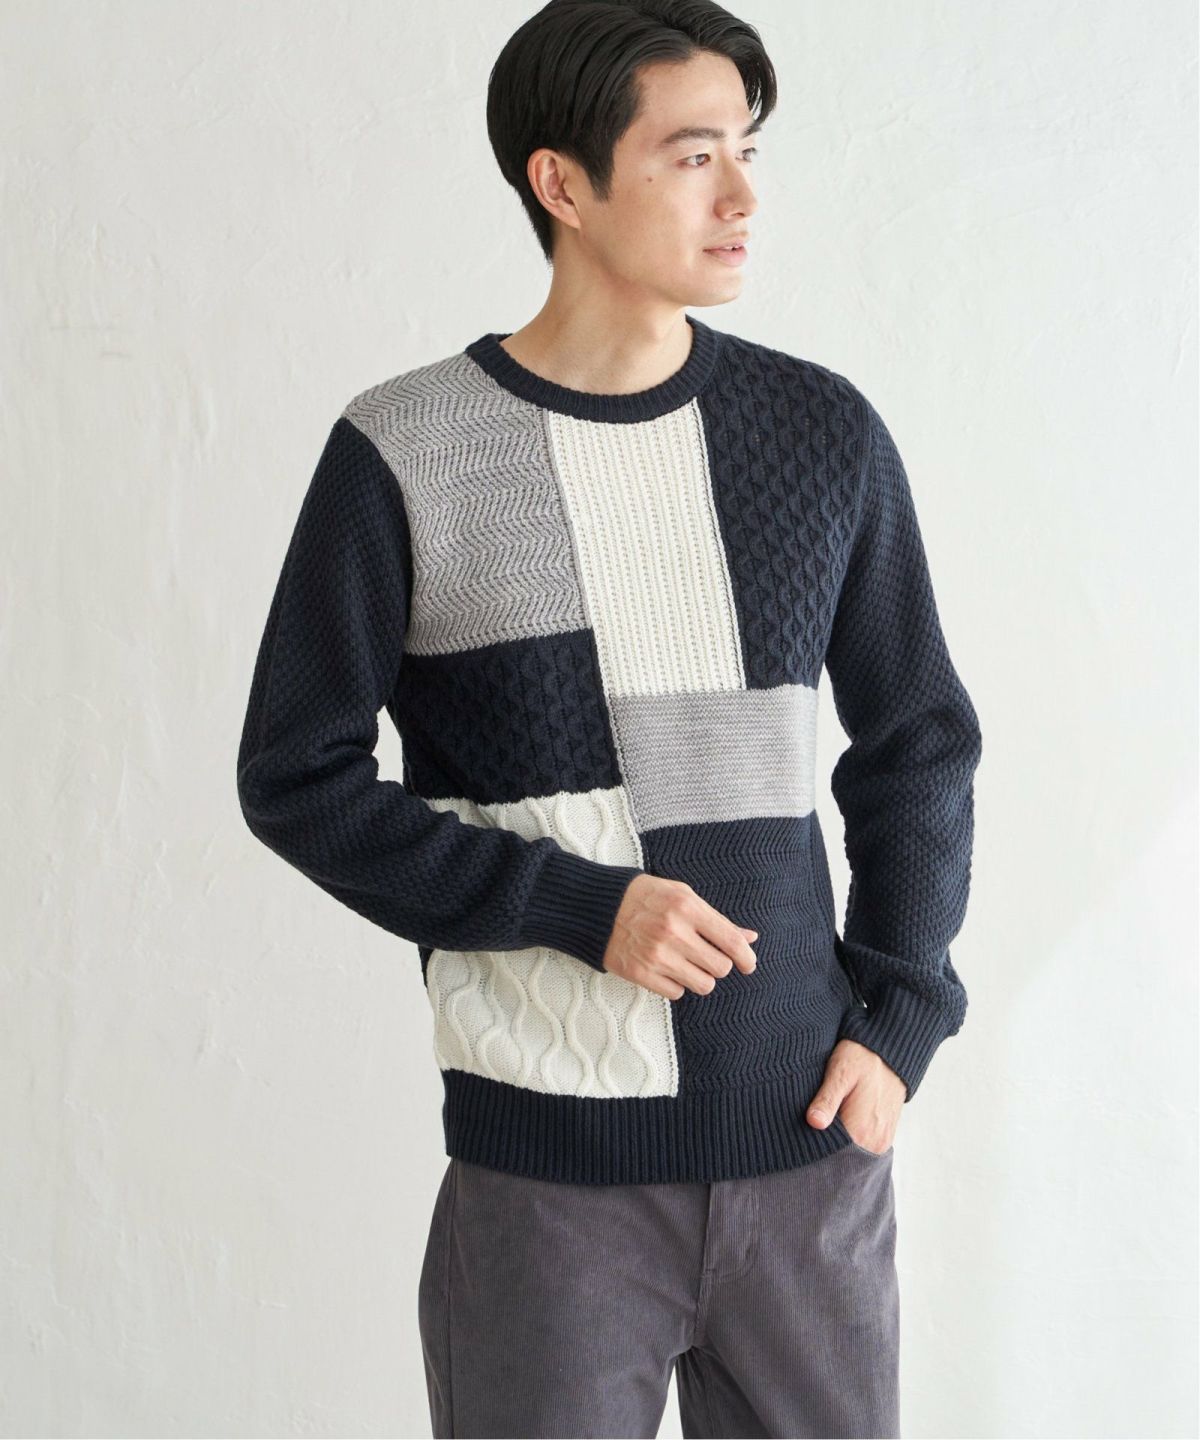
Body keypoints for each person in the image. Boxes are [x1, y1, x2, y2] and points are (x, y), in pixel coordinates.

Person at [235, 2, 983, 1434]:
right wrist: (580, 907)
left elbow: (919, 743)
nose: (742, 195)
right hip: (547, 1186)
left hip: (809, 1156)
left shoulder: (821, 433)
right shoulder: (407, 451)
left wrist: (900, 1023)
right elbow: (296, 776)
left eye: (748, 150)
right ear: (562, 183)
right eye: (693, 156)